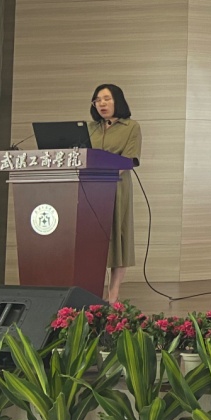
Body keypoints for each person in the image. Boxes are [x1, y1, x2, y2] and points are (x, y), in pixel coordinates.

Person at [88, 84, 142, 300]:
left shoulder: (131, 127)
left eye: (107, 99)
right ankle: (91, 289)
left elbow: (128, 159)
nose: (102, 103)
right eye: (97, 100)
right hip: (88, 188)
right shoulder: (91, 128)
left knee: (117, 238)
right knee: (92, 239)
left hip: (116, 186)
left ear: (117, 101)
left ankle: (113, 294)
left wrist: (102, 170)